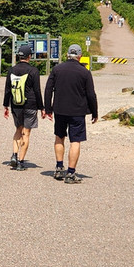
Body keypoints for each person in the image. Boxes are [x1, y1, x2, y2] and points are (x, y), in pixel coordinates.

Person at [42, 43, 98, 184]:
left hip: (60, 109)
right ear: (80, 56)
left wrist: (48, 109)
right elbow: (91, 94)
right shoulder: (85, 72)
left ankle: (59, 168)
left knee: (59, 137)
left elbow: (48, 89)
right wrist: (94, 112)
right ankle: (71, 173)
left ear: (67, 55)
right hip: (77, 111)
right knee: (75, 141)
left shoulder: (57, 69)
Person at [2, 44, 43, 171]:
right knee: (26, 133)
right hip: (30, 105)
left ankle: (14, 155)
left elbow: (7, 89)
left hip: (16, 105)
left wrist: (6, 105)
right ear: (29, 56)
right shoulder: (33, 71)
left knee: (18, 130)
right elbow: (37, 91)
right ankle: (20, 162)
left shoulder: (12, 70)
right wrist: (42, 107)